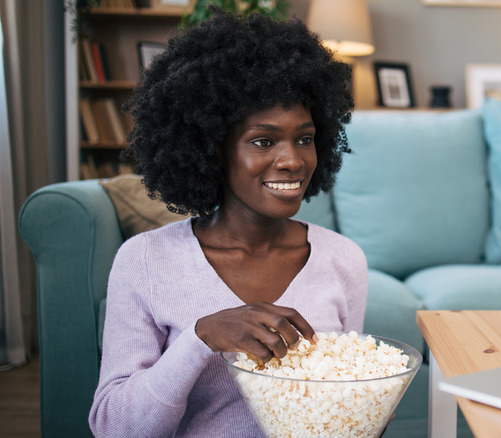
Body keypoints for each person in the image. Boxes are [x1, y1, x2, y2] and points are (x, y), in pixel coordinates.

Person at [88, 10, 367, 437]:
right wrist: (201, 339)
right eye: (263, 141)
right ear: (212, 148)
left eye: (305, 138)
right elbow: (115, 427)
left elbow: (346, 410)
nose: (293, 160)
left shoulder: (343, 259)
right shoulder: (144, 260)